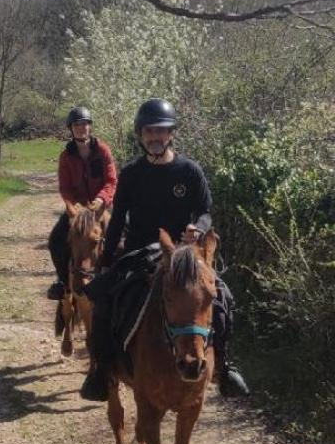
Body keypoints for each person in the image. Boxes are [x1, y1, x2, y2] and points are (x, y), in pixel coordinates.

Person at [79, 97, 248, 401]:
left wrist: (198, 226)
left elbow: (206, 212)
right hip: (140, 252)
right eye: (149, 132)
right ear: (141, 135)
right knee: (103, 301)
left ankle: (224, 365)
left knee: (223, 298)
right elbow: (117, 221)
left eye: (162, 131)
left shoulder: (190, 171)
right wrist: (106, 264)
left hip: (184, 254)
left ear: (171, 134)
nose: (155, 137)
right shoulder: (131, 174)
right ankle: (101, 370)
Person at [47, 106, 118, 299]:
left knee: (125, 235)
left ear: (90, 127)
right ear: (71, 129)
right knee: (55, 241)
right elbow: (65, 187)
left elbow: (111, 180)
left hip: (102, 205)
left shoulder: (103, 150)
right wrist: (71, 207)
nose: (81, 128)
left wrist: (101, 198)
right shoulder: (66, 156)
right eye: (77, 125)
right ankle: (62, 282)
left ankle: (122, 277)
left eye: (85, 124)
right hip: (77, 209)